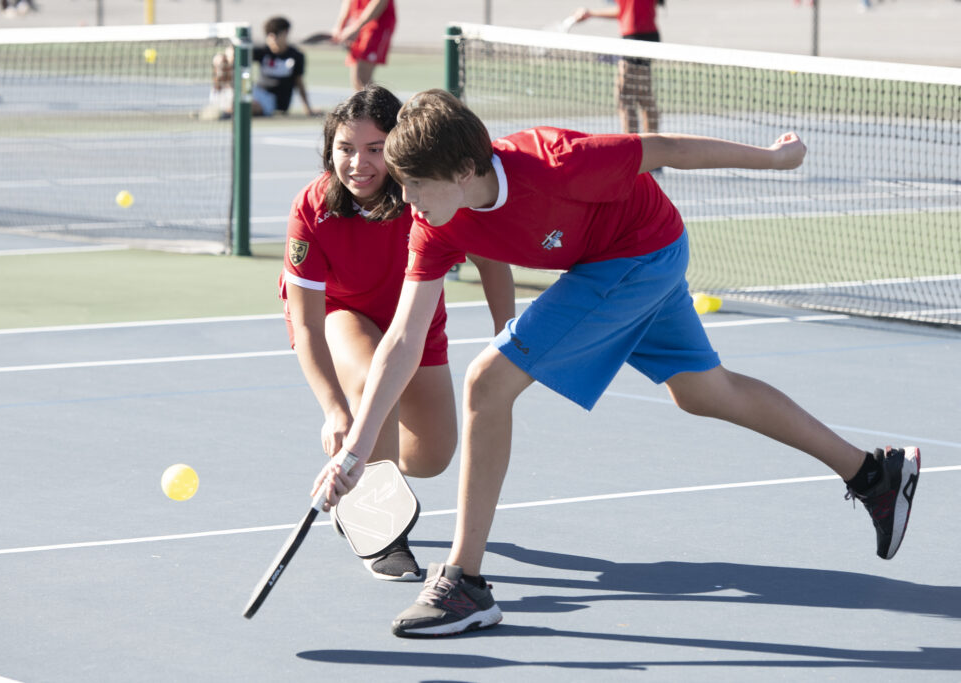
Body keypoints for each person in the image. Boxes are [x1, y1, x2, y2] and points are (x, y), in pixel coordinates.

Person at [312, 89, 921, 636]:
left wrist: (774, 158)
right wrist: (355, 453)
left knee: (486, 384)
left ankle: (464, 581)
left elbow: (667, 147)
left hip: (642, 248)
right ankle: (873, 473)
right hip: (623, 260)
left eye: (416, 184)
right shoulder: (432, 218)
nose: (406, 198)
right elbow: (401, 339)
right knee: (705, 392)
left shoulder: (556, 161)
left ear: (466, 170)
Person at [282, 84, 515, 581]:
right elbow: (304, 321)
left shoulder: (429, 193)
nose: (357, 164)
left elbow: (492, 263)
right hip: (347, 315)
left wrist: (506, 338)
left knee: (432, 457)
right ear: (330, 150)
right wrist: (334, 411)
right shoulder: (312, 209)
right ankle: (380, 532)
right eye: (344, 149)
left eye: (374, 149)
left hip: (417, 326)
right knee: (369, 387)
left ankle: (364, 475)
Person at [572, 0, 661, 134]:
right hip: (635, 36)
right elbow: (622, 11)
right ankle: (647, 141)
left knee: (626, 95)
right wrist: (591, 14)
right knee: (640, 94)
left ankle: (639, 142)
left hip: (638, 37)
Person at [332, 0, 396, 90]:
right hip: (356, 23)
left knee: (362, 76)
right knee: (356, 79)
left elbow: (380, 2)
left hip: (376, 23)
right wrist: (340, 25)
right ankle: (363, 104)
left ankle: (384, 103)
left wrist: (357, 27)